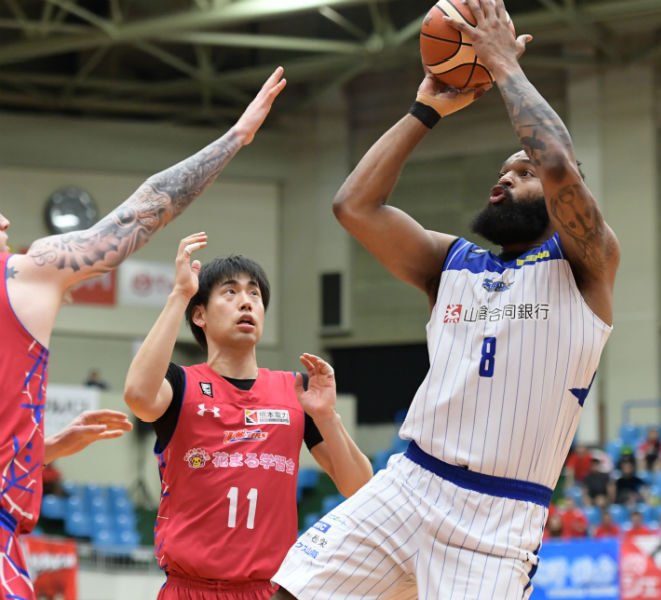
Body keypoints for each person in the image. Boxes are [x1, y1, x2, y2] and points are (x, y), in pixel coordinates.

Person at [271, 1, 620, 596]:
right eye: (503, 171)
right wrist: (425, 110)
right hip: (410, 481)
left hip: (498, 516)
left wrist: (503, 63)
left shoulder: (586, 265)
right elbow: (354, 207)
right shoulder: (451, 264)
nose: (505, 177)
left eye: (524, 172)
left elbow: (558, 162)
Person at [0, 66, 289, 600]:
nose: (5, 224)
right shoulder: (22, 275)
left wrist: (47, 448)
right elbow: (145, 208)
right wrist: (236, 138)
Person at [123, 235, 372, 598]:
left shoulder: (296, 391)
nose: (246, 301)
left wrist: (327, 415)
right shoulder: (181, 383)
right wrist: (179, 294)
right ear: (200, 315)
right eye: (230, 292)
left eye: (254, 294)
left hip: (266, 590)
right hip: (189, 589)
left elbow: (360, 487)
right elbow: (138, 396)